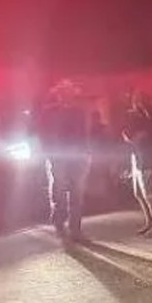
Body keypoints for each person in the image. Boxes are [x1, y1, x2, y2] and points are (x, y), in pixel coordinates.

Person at [36, 79, 95, 241]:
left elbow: (84, 134)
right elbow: (42, 133)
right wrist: (48, 152)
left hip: (77, 155)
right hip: (59, 155)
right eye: (63, 92)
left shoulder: (79, 111)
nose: (66, 95)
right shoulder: (48, 112)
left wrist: (87, 153)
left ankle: (75, 229)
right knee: (59, 189)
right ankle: (59, 220)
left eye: (69, 92)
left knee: (77, 193)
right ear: (58, 94)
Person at [121, 90, 152, 235]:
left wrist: (137, 136)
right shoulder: (131, 115)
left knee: (149, 193)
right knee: (138, 193)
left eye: (138, 98)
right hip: (136, 156)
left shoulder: (150, 114)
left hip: (148, 157)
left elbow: (150, 134)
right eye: (134, 98)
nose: (135, 101)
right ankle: (149, 221)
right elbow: (127, 133)